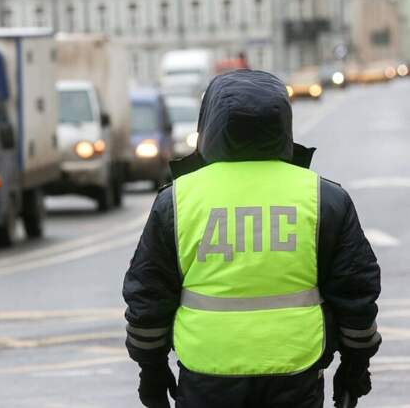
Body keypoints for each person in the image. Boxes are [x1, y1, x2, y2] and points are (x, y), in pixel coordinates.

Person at [122, 70, 381, 408]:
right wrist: (354, 369)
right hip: (296, 371)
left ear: (209, 125)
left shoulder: (178, 202)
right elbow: (356, 294)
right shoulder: (323, 198)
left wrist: (151, 371)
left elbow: (148, 297)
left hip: (207, 374)